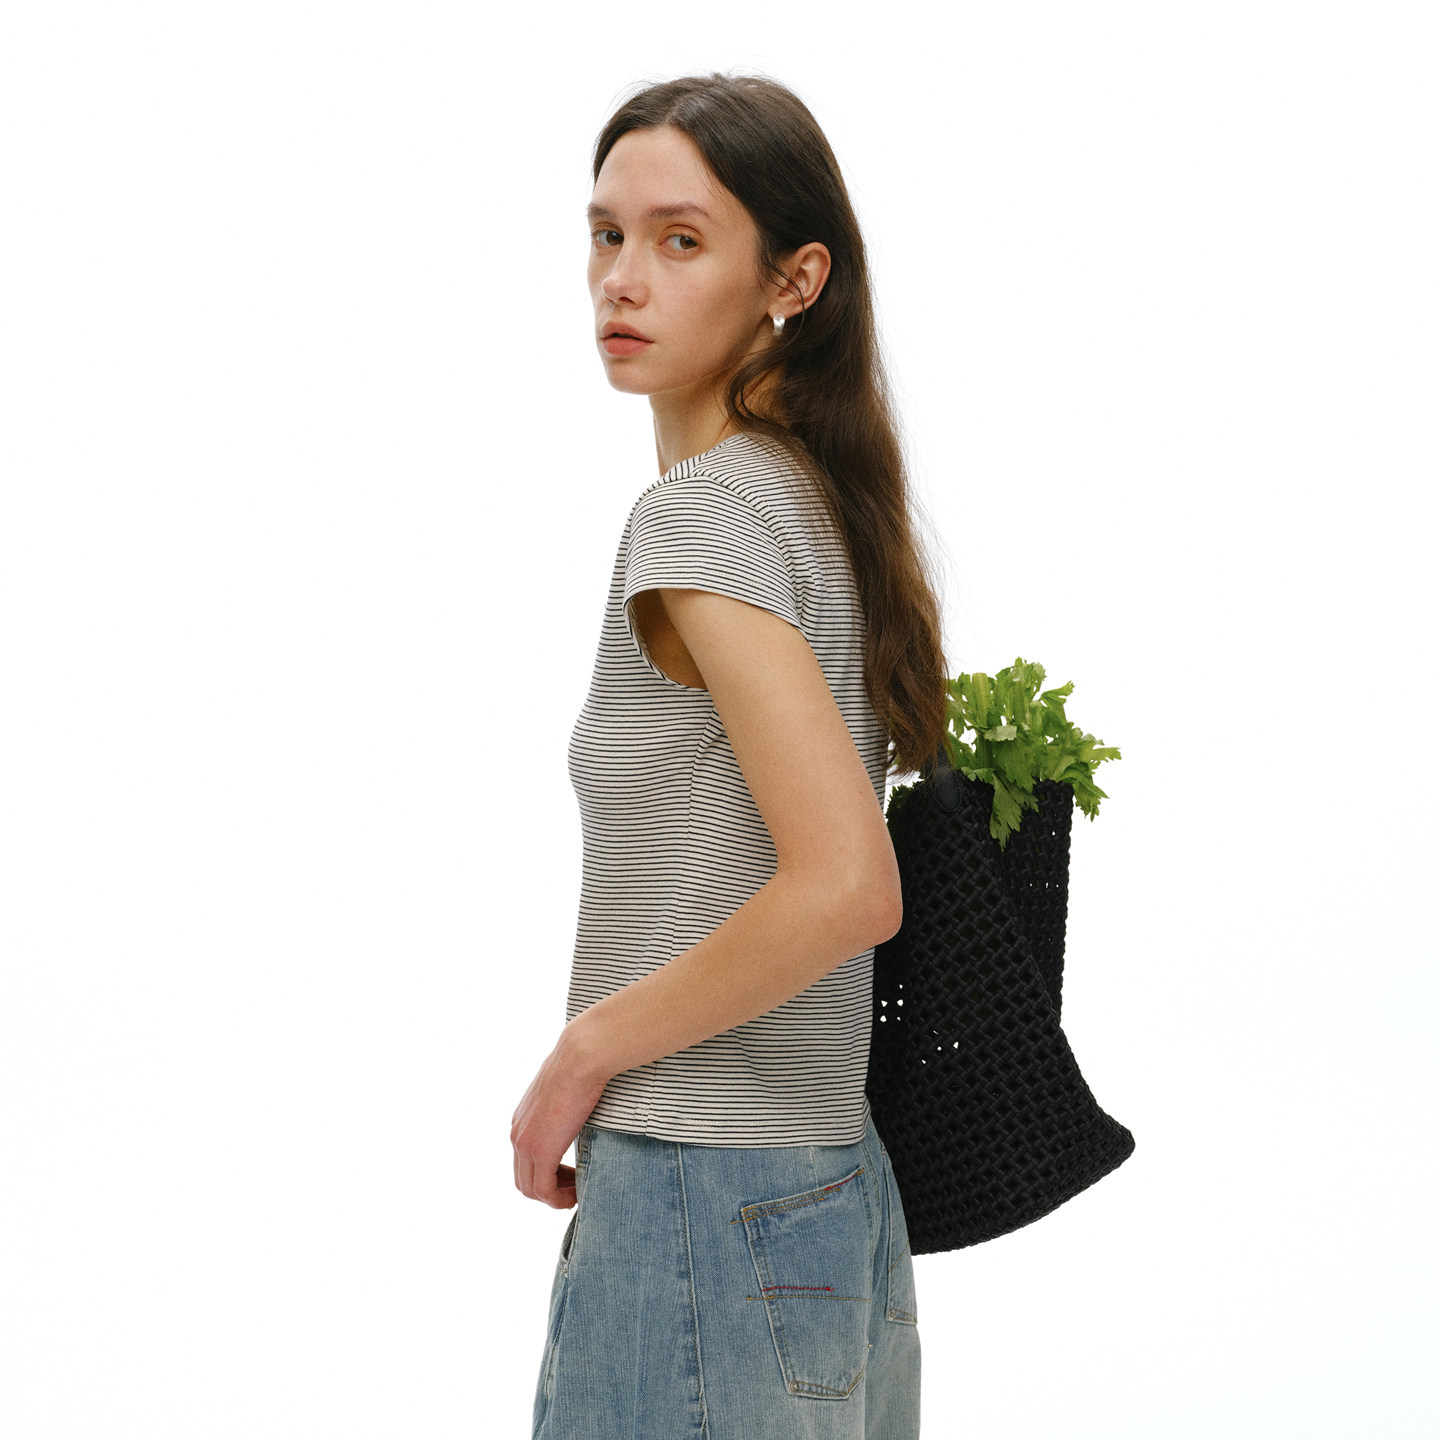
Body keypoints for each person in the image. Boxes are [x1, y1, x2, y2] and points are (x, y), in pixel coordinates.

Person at [511, 72, 950, 1440]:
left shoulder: (703, 516)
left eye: (681, 240)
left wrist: (584, 1054)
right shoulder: (816, 503)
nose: (624, 278)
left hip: (699, 1191)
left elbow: (846, 886)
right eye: (607, 234)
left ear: (793, 280)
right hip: (827, 1187)